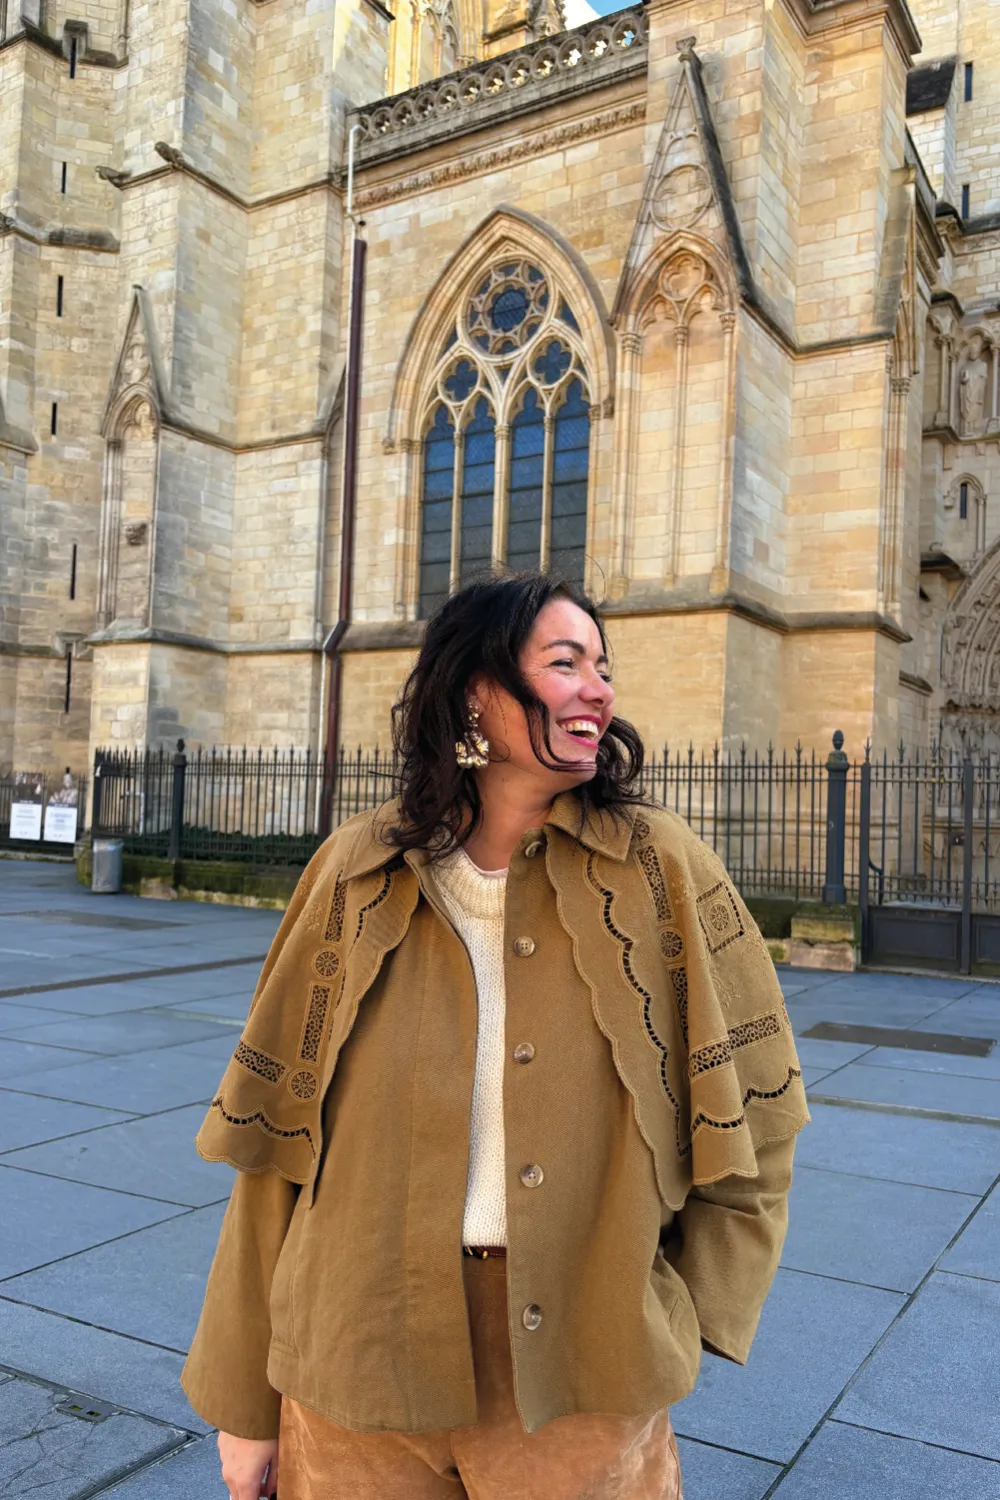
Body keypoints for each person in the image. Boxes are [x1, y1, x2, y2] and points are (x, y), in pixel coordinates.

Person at [182, 572, 808, 1500]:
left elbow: (760, 1111)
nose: (598, 689)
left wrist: (682, 1311)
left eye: (603, 668)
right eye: (566, 663)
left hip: (581, 1385)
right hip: (349, 1365)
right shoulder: (352, 872)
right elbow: (272, 1153)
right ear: (476, 689)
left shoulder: (664, 870)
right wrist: (244, 1404)